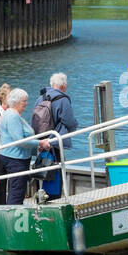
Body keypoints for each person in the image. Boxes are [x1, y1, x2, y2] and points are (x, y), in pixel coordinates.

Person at [32, 72, 78, 201]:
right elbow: (69, 121)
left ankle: (41, 196)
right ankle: (54, 198)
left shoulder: (40, 98)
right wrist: (74, 127)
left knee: (42, 167)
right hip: (55, 141)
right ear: (64, 86)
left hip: (41, 140)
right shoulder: (62, 99)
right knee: (56, 168)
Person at [0, 88, 45, 206]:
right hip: (16, 159)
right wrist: (40, 143)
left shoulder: (12, 114)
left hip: (15, 157)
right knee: (17, 192)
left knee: (17, 190)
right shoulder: (13, 116)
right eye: (24, 101)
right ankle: (11, 218)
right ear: (16, 102)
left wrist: (35, 147)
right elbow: (20, 141)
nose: (26, 103)